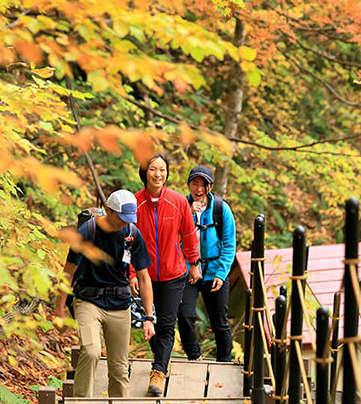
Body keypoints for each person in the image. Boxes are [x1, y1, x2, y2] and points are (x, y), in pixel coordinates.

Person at [55, 190, 155, 397]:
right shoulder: (86, 232)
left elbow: (144, 278)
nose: (124, 223)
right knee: (91, 352)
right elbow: (68, 273)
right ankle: (81, 401)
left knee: (119, 368)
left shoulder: (132, 234)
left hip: (119, 304)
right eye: (121, 218)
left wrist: (148, 317)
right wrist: (59, 310)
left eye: (129, 219)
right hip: (88, 301)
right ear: (108, 210)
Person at [133, 155, 201, 396]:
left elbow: (189, 234)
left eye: (162, 169)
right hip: (146, 276)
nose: (158, 174)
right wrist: (132, 273)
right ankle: (161, 356)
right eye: (153, 169)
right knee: (150, 322)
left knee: (167, 323)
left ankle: (158, 372)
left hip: (174, 273)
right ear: (145, 172)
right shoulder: (136, 203)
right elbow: (128, 240)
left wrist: (194, 262)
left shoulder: (177, 201)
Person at [176, 165, 236, 362]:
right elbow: (172, 239)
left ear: (210, 187)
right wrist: (188, 214)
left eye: (203, 184)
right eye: (195, 183)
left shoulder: (221, 209)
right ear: (189, 185)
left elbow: (229, 244)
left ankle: (224, 361)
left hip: (214, 271)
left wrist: (221, 273)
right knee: (184, 316)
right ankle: (195, 356)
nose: (199, 189)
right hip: (187, 269)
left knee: (219, 320)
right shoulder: (181, 206)